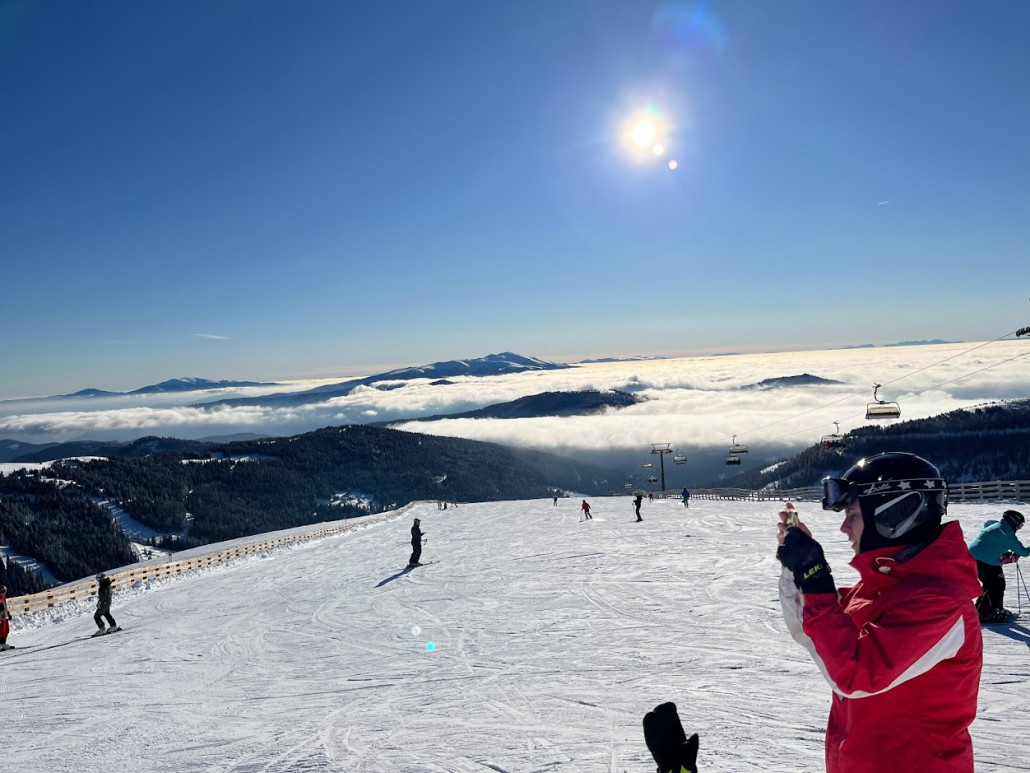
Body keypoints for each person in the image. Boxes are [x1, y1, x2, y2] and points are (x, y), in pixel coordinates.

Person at [775, 452, 982, 773]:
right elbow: (814, 633)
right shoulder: (877, 590)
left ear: (894, 517)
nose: (844, 528)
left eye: (853, 515)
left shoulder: (942, 604)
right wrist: (797, 570)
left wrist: (814, 574)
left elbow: (855, 677)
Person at [968, 509, 1029, 622]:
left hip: (973, 557)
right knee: (997, 584)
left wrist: (1006, 554)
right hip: (985, 560)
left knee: (990, 584)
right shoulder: (1007, 533)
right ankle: (986, 613)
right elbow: (1023, 552)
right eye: (1020, 525)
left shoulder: (997, 526)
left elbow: (991, 543)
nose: (1019, 528)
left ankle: (983, 610)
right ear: (1014, 522)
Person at [0, 586, 12, 651]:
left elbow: (5, 607)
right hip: (0, 618)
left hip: (4, 616)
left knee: (6, 630)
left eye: (4, 591)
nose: (3, 593)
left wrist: (8, 614)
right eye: (1, 591)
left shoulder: (3, 598)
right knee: (0, 631)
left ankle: (2, 644)